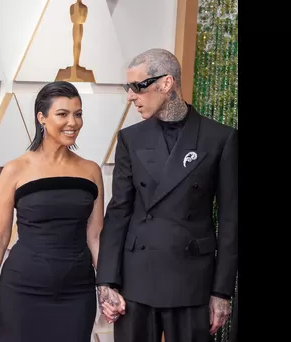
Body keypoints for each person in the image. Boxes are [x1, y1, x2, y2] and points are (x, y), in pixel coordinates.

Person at [96, 48, 238, 342]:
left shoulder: (221, 138)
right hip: (136, 282)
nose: (130, 97)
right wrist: (107, 281)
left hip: (192, 282)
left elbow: (230, 222)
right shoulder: (130, 139)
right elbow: (119, 211)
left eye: (138, 87)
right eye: (128, 88)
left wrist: (221, 292)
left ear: (166, 83)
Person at [0, 81, 105, 342]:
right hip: (22, 292)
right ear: (41, 118)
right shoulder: (15, 170)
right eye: (63, 114)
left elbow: (96, 237)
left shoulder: (91, 171)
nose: (73, 122)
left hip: (77, 293)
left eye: (78, 114)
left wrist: (106, 288)